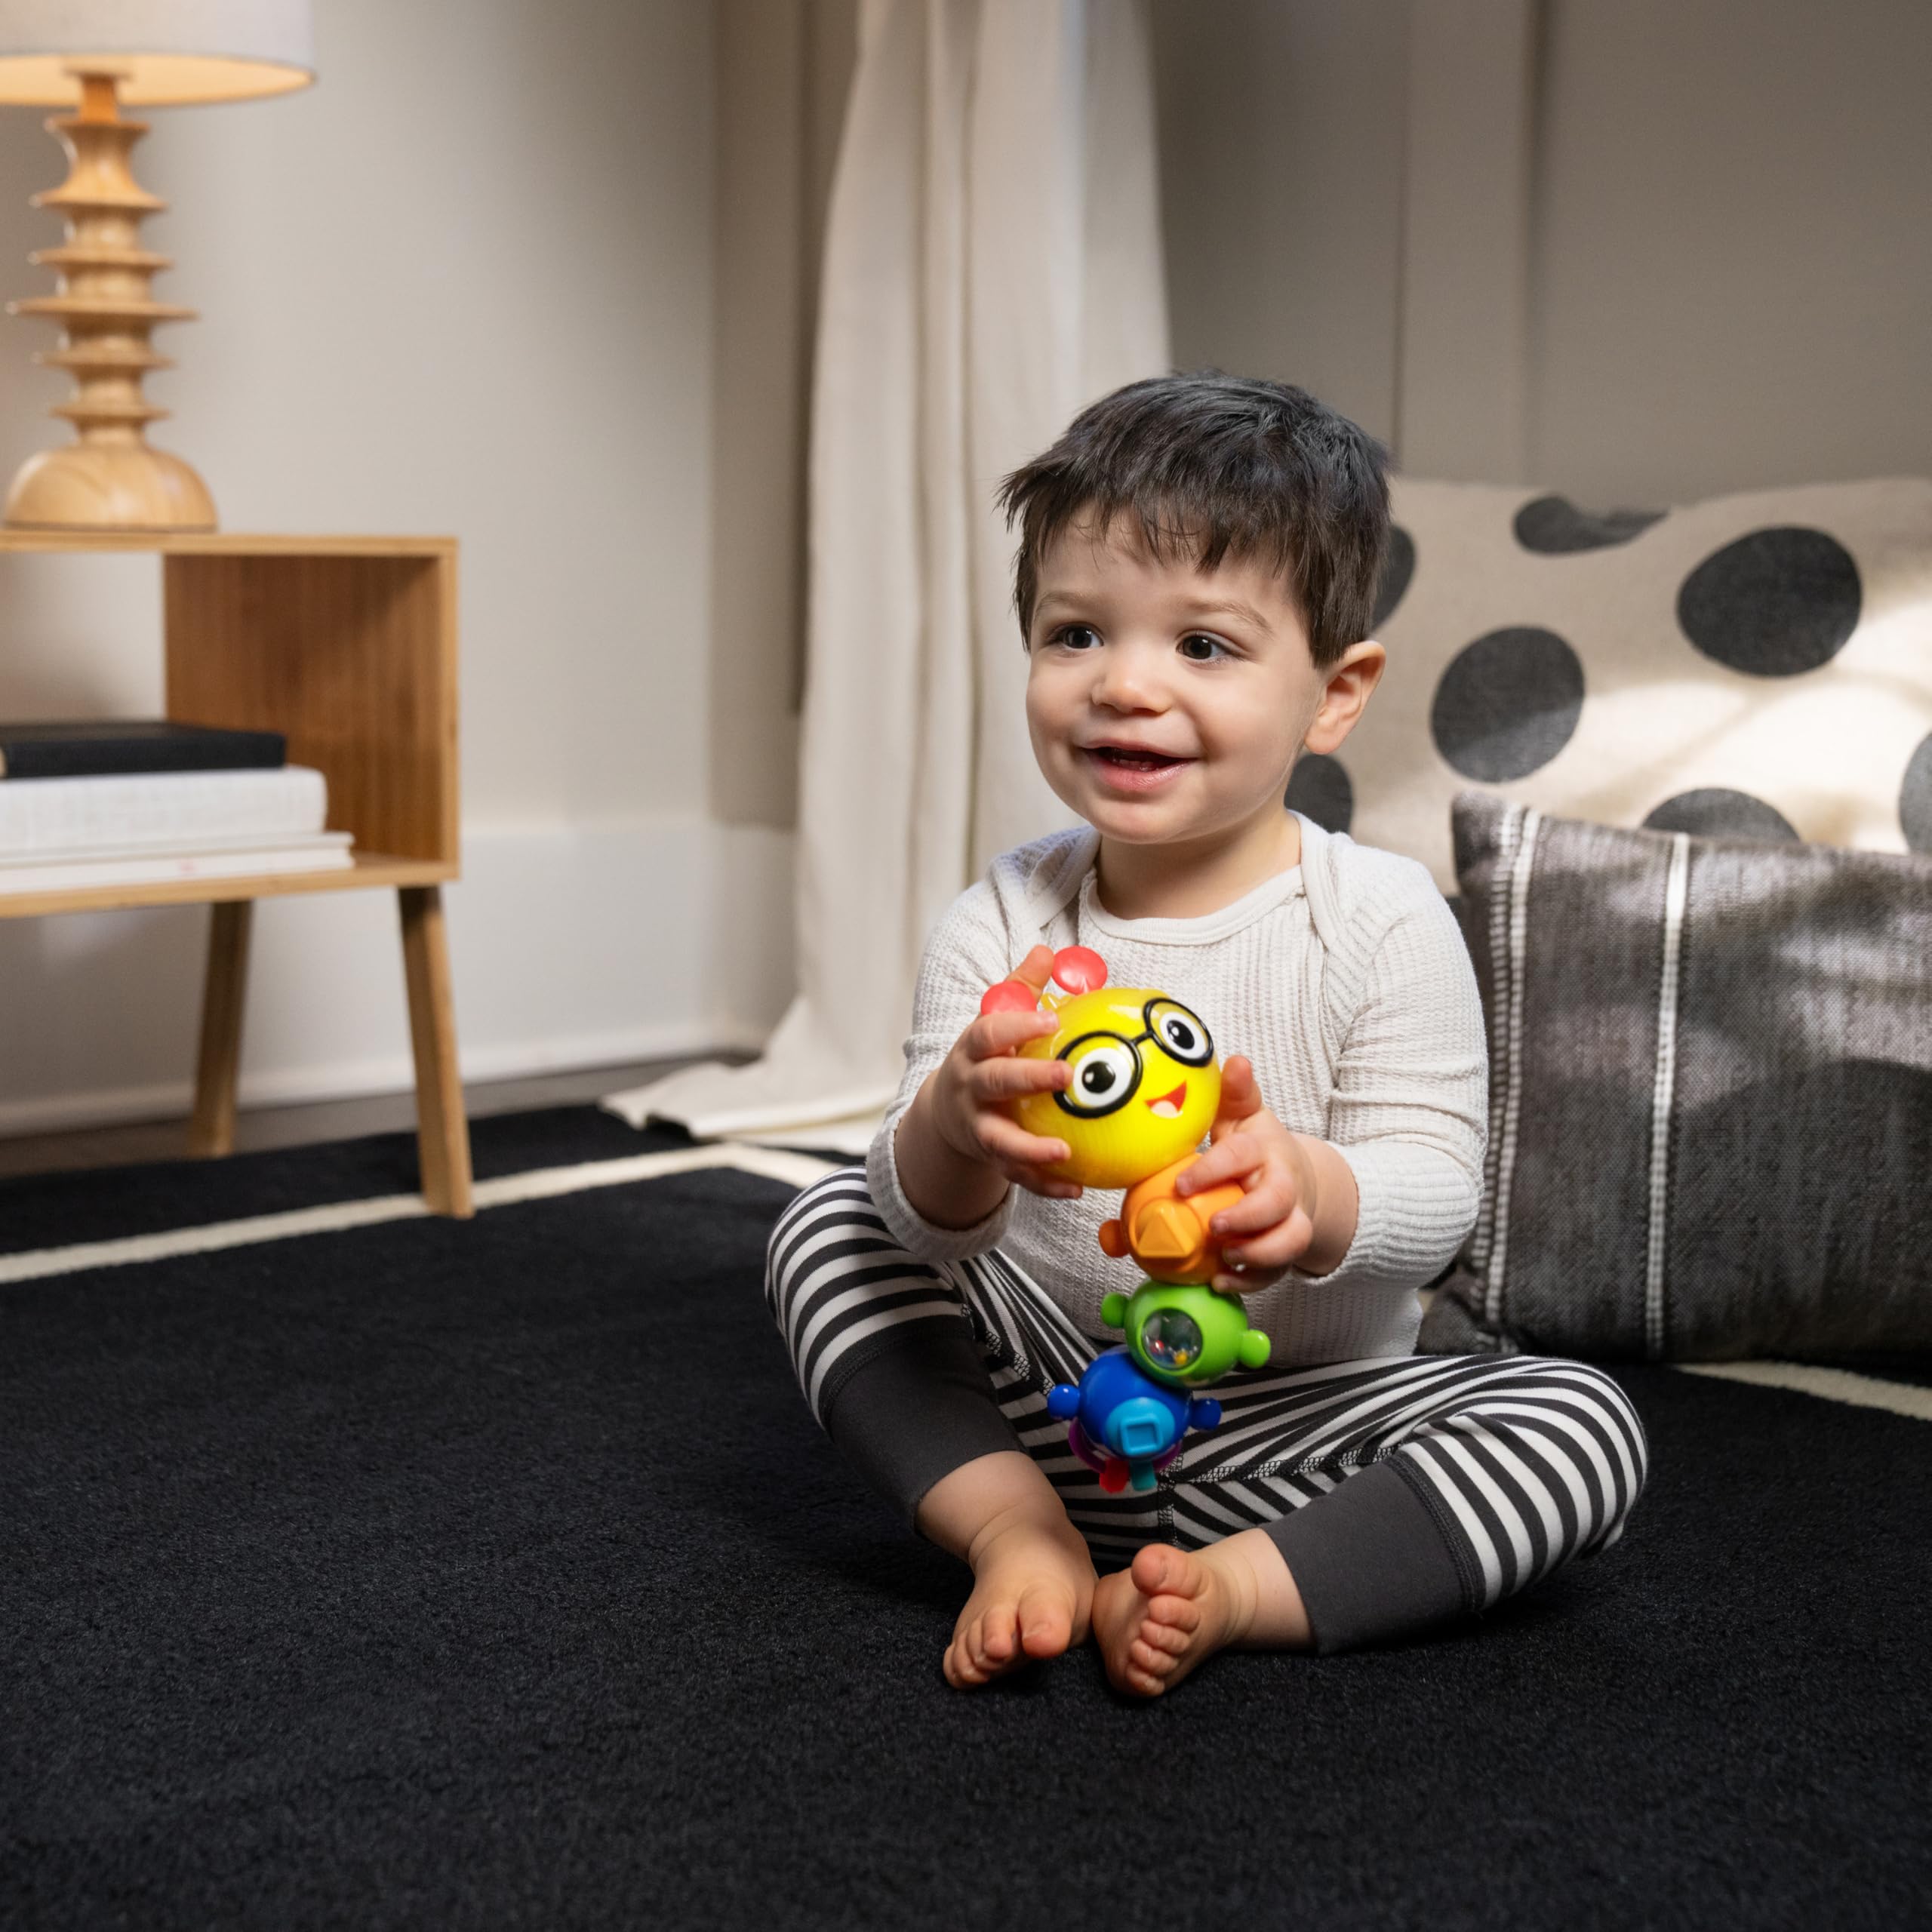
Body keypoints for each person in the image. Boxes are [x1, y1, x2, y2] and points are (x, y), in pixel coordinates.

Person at [765, 373, 1647, 1695]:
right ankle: (1019, 1536)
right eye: (1076, 633)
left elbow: (1436, 1195)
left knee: (1580, 1423)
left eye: (1204, 646)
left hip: (1299, 1428)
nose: (1125, 685)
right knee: (828, 1226)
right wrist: (951, 1128)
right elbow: (925, 1228)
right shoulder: (1004, 919)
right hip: (1047, 1404)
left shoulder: (1381, 918)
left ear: (1334, 693)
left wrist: (1312, 1190)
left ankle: (1241, 1588)